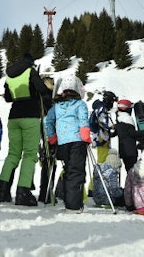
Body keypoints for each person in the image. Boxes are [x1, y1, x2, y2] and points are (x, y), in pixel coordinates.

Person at [0, 53, 52, 206]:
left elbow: (8, 97)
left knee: (13, 154)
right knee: (29, 154)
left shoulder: (10, 76)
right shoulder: (30, 71)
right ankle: (23, 191)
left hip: (13, 116)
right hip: (30, 117)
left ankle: (3, 190)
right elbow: (42, 90)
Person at [43, 75, 91, 213]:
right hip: (77, 141)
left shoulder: (57, 106)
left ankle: (70, 202)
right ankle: (74, 205)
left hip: (62, 143)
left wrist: (52, 137)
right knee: (77, 172)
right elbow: (83, 120)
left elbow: (48, 121)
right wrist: (86, 136)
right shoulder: (80, 104)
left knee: (69, 172)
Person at [114, 99, 144, 173]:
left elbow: (124, 134)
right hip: (130, 151)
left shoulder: (118, 119)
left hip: (123, 151)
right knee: (133, 173)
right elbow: (132, 133)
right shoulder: (127, 119)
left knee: (130, 172)